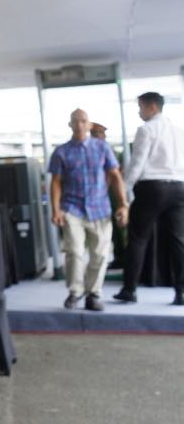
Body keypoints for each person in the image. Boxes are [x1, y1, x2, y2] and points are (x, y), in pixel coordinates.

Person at [48, 109, 128, 311]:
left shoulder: (102, 148)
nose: (79, 125)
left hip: (100, 209)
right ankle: (75, 292)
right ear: (70, 125)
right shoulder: (61, 152)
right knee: (74, 252)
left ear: (90, 124)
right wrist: (55, 210)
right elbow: (55, 183)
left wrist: (123, 204)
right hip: (72, 208)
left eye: (83, 121)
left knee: (99, 255)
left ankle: (93, 293)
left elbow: (116, 176)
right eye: (75, 121)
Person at [114, 92, 184, 306]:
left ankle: (129, 290)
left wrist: (124, 193)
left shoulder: (146, 130)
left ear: (152, 107)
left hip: (152, 187)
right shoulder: (178, 130)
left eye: (141, 107)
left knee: (138, 238)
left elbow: (137, 163)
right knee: (178, 241)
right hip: (179, 187)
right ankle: (181, 293)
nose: (139, 112)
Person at [91, 121, 129, 268]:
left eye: (100, 133)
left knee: (120, 228)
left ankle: (124, 258)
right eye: (95, 134)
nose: (98, 136)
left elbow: (117, 174)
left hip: (113, 196)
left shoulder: (111, 152)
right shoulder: (91, 151)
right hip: (101, 196)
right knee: (109, 231)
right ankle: (119, 258)